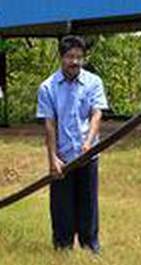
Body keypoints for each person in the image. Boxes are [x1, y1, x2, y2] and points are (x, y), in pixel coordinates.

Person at [36, 35, 108, 253]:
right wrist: (52, 158)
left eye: (79, 57)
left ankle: (90, 247)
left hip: (88, 155)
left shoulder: (93, 82)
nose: (74, 61)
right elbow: (49, 125)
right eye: (70, 56)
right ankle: (62, 248)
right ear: (61, 57)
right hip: (63, 159)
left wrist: (89, 144)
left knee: (88, 204)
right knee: (62, 206)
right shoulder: (48, 87)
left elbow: (96, 114)